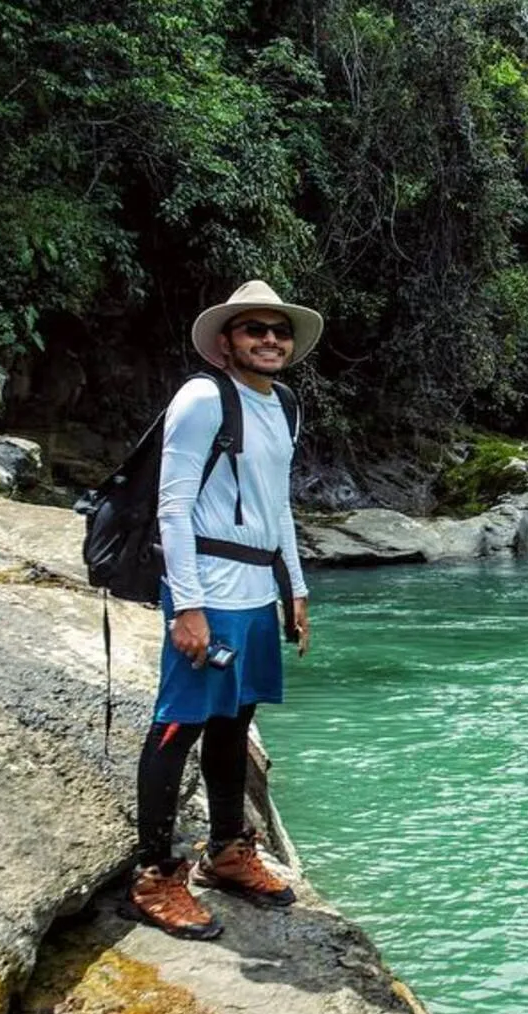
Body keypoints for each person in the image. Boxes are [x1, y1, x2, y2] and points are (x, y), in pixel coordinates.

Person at [128, 280, 321, 940]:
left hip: (255, 594)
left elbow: (278, 506)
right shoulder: (203, 398)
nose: (269, 339)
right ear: (225, 343)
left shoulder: (285, 404)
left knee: (235, 723)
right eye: (253, 329)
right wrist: (187, 607)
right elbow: (174, 506)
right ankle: (155, 875)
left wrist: (295, 591)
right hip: (208, 589)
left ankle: (228, 852)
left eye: (279, 330)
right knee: (179, 724)